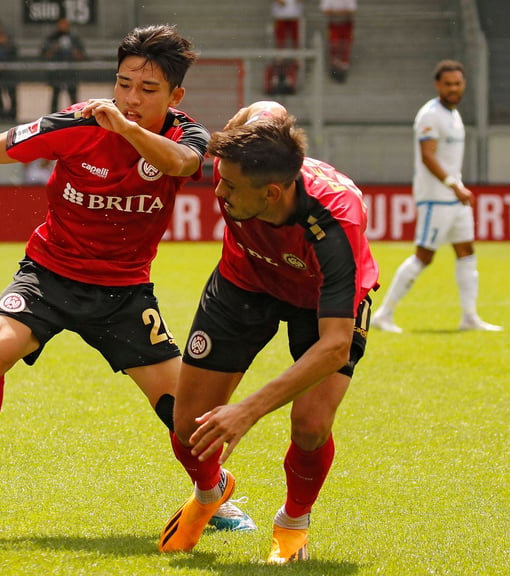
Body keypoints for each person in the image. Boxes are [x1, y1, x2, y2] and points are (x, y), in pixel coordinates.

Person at [0, 24, 253, 533]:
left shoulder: (185, 134)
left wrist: (125, 129)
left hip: (123, 292)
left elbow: (183, 163)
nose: (130, 98)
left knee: (182, 411)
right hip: (49, 276)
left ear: (176, 95)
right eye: (123, 84)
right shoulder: (77, 123)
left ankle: (213, 495)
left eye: (147, 90)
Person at [156, 101, 379, 564]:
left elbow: (335, 345)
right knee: (187, 422)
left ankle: (292, 523)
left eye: (230, 186)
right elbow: (266, 109)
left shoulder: (337, 222)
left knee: (312, 425)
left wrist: (248, 410)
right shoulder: (242, 157)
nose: (218, 190)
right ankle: (209, 493)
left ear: (273, 193)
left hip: (321, 301)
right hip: (245, 280)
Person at [371, 61, 502, 333]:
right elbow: (427, 155)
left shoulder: (453, 114)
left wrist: (456, 188)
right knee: (424, 255)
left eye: (457, 84)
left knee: (466, 252)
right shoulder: (430, 115)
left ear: (463, 84)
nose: (454, 88)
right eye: (448, 84)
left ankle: (469, 317)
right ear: (438, 85)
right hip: (436, 198)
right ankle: (384, 314)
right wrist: (453, 184)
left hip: (455, 197)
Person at [41, 17, 87, 113]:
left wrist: (74, 51)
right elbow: (44, 55)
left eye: (65, 24)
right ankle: (53, 119)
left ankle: (76, 117)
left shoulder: (74, 38)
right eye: (61, 24)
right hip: (57, 73)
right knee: (55, 97)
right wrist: (55, 48)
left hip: (71, 73)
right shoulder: (52, 38)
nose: (63, 27)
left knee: (73, 97)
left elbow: (82, 56)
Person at [266, 0, 302, 94]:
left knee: (295, 39)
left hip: (294, 15)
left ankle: (295, 56)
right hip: (280, 15)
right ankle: (280, 56)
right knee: (280, 39)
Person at [0, 19, 19, 122]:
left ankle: (12, 117)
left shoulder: (7, 39)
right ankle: (0, 117)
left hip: (8, 72)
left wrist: (5, 43)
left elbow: (14, 52)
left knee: (12, 94)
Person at [321, 0, 356, 82]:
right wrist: (341, 12)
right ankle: (336, 65)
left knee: (346, 45)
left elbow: (352, 10)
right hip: (334, 24)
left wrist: (335, 12)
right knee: (334, 44)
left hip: (346, 24)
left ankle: (343, 65)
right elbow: (325, 10)